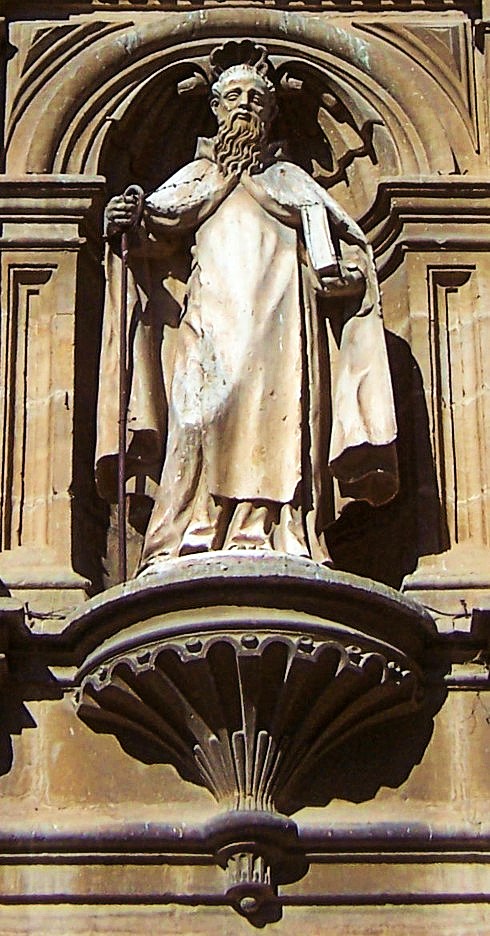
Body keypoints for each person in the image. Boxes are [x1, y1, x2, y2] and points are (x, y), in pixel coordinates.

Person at [97, 44, 398, 571]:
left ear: (271, 112)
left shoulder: (294, 184)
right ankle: (190, 533)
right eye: (234, 96)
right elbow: (148, 238)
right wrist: (124, 220)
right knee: (198, 417)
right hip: (209, 323)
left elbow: (346, 253)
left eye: (257, 99)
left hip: (281, 329)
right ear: (215, 108)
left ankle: (273, 531)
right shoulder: (196, 177)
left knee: (277, 422)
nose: (245, 106)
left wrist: (346, 279)